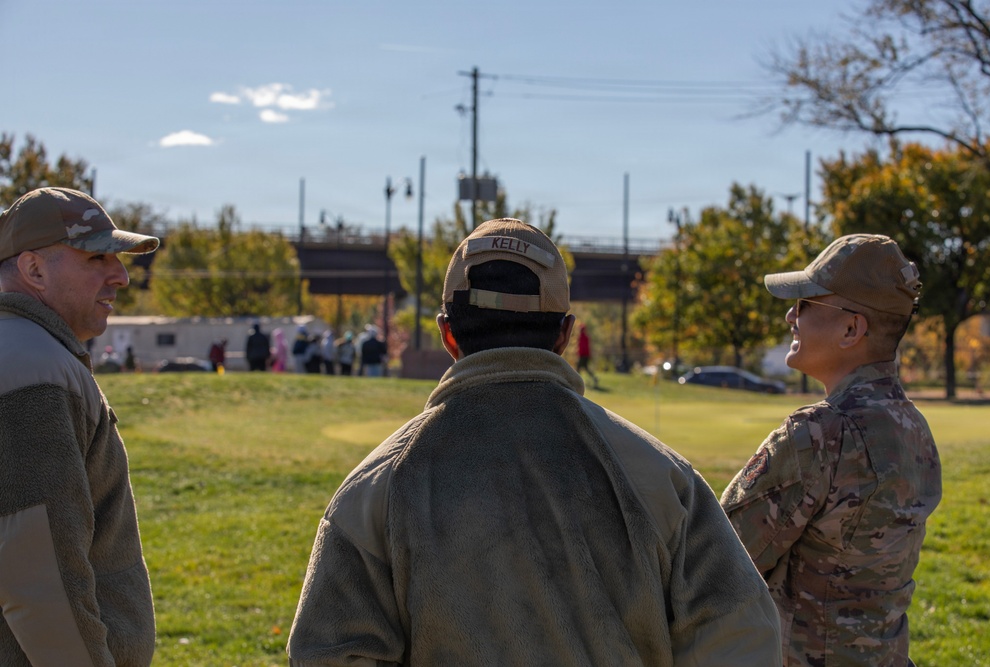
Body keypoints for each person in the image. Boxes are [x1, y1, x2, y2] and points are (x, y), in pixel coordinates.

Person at [288, 218, 781, 665]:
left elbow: (329, 654)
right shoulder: (660, 475)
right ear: (565, 334)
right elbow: (740, 633)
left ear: (447, 335)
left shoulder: (375, 490)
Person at [720, 234, 942, 666]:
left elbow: (717, 563)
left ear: (851, 328)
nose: (790, 315)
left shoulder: (819, 435)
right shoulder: (915, 428)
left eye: (805, 304)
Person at [0, 187, 157, 665]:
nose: (121, 276)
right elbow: (41, 581)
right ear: (33, 269)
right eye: (96, 257)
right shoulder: (33, 369)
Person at [576, 322, 599, 387]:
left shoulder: (582, 337)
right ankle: (595, 378)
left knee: (578, 369)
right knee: (585, 368)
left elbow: (583, 347)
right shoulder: (585, 337)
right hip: (585, 355)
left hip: (583, 355)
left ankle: (577, 382)